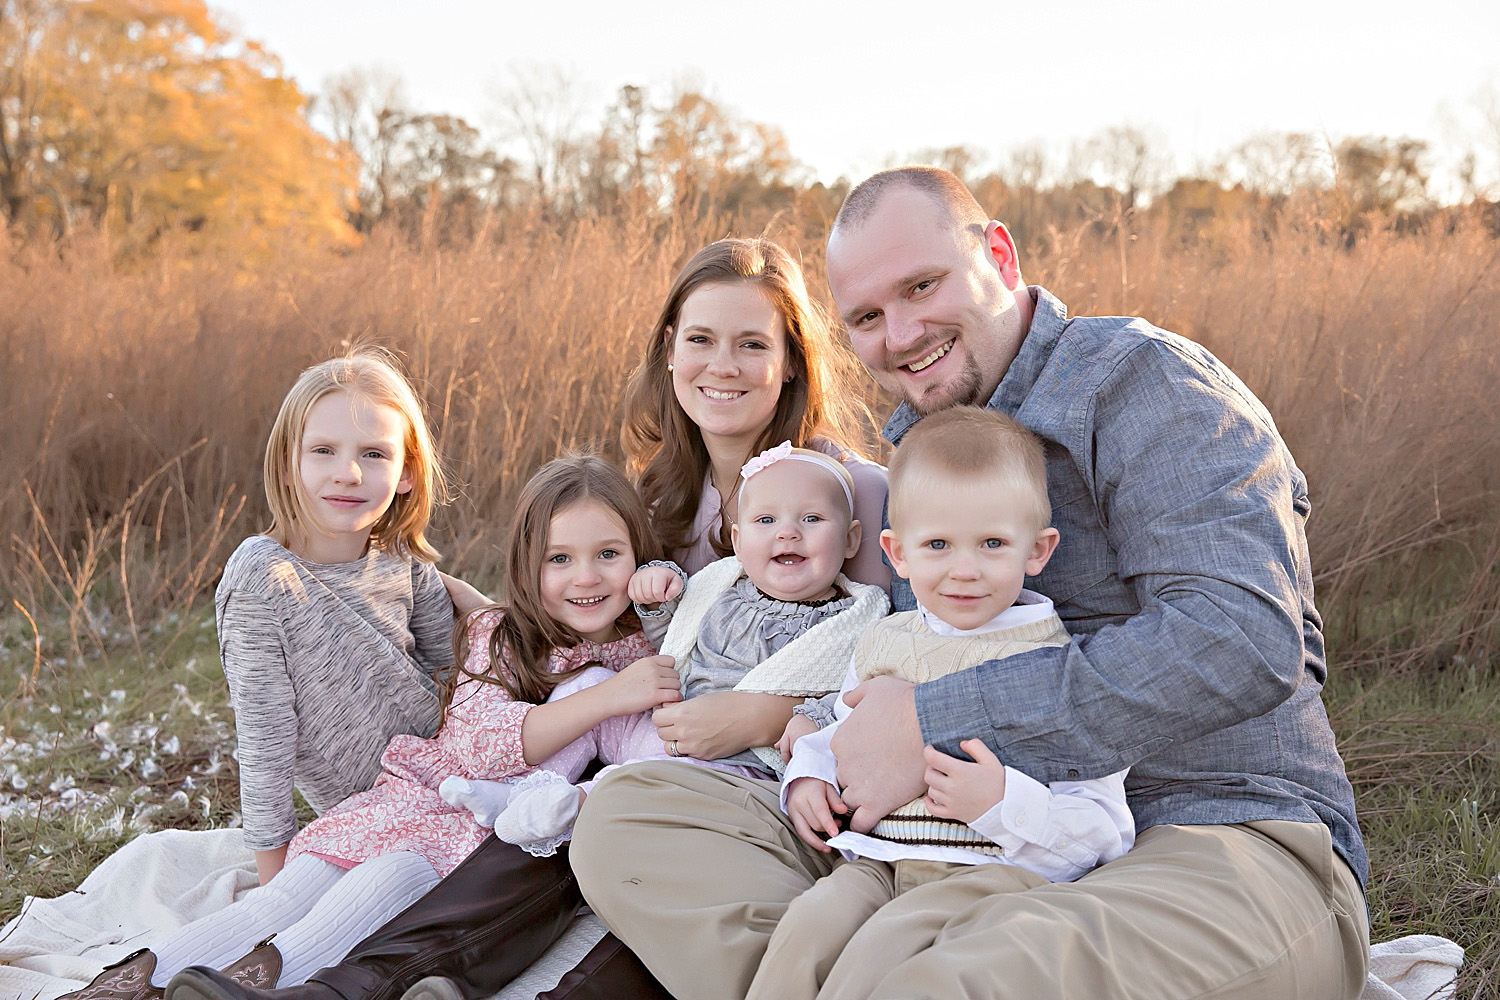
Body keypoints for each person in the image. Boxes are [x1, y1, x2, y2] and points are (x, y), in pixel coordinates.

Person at [571, 166, 1370, 999]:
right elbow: (881, 667)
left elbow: (1242, 641)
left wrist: (933, 723)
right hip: (945, 845)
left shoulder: (1145, 383)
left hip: (1201, 828)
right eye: (869, 318)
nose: (904, 333)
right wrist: (822, 749)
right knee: (628, 823)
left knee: (962, 977)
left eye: (923, 286)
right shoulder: (914, 446)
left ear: (1000, 254)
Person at [154, 455, 677, 1000]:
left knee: (368, 894)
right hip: (422, 797)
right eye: (560, 558)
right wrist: (610, 696)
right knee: (286, 895)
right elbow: (485, 749)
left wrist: (664, 599)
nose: (586, 577)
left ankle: (264, 991)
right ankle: (130, 982)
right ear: (526, 565)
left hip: (476, 844)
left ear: (639, 558)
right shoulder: (502, 636)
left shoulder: (645, 648)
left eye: (609, 555)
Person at [60, 351, 460, 999]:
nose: (348, 473)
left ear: (409, 472)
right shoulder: (263, 575)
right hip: (356, 813)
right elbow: (266, 734)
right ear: (288, 463)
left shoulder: (408, 568)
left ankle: (249, 981)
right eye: (324, 450)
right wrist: (276, 866)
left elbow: (457, 684)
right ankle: (123, 986)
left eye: (376, 454)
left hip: (441, 797)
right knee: (279, 906)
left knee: (384, 886)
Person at [750, 407, 1133, 1000]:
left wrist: (1005, 801)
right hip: (878, 860)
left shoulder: (1063, 664)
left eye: (992, 543)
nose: (964, 570)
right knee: (808, 928)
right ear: (897, 553)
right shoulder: (886, 642)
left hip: (986, 877)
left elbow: (1105, 826)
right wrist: (807, 777)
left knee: (883, 951)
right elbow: (841, 734)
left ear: (1037, 550)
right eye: (937, 545)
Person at [468, 443, 889, 856]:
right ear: (739, 542)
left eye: (812, 519)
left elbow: (850, 691)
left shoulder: (851, 621)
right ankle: (529, 791)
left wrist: (809, 718)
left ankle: (575, 803)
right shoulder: (723, 587)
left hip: (731, 762)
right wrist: (658, 591)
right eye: (766, 520)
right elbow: (677, 634)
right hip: (661, 729)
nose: (787, 532)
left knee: (661, 776)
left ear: (851, 540)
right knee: (593, 683)